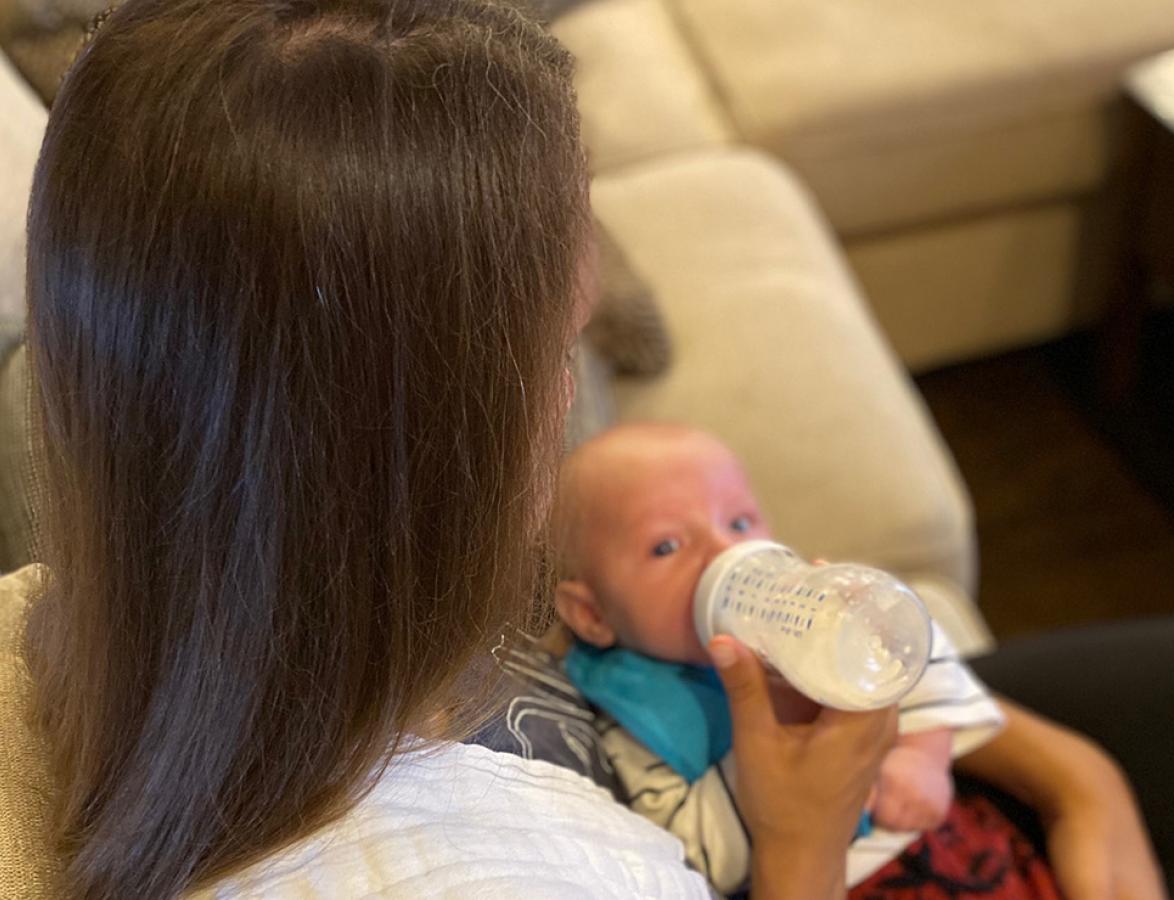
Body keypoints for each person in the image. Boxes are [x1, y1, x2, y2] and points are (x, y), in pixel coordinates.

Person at [0, 1, 895, 898]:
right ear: (422, 445)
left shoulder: (101, 618)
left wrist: (1047, 778)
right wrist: (802, 846)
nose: (568, 396)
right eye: (556, 348)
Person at [537, 421, 1165, 898]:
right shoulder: (632, 718)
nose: (723, 554)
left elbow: (921, 658)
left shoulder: (802, 622)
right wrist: (770, 774)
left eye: (740, 520)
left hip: (952, 841)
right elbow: (697, 852)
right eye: (666, 545)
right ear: (593, 614)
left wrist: (925, 756)